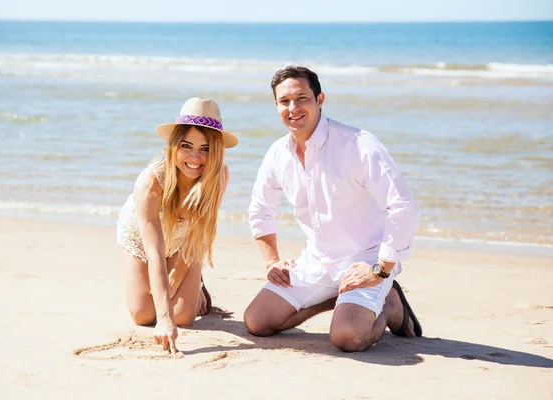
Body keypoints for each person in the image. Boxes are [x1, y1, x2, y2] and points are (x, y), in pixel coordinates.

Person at [244, 66, 422, 352]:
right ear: (275, 105)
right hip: (316, 261)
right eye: (284, 101)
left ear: (320, 99)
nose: (293, 107)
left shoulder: (358, 144)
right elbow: (260, 209)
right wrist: (272, 261)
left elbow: (403, 208)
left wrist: (380, 269)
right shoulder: (278, 153)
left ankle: (389, 303)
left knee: (347, 337)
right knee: (257, 321)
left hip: (367, 261)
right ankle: (335, 299)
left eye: (302, 98)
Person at [117, 97, 238, 355]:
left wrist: (179, 277)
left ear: (216, 150)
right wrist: (163, 318)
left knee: (184, 317)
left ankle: (198, 281)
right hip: (143, 239)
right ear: (174, 145)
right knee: (143, 314)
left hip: (186, 239)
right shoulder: (152, 181)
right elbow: (154, 251)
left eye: (205, 149)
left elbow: (199, 231)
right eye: (187, 146)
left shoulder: (218, 177)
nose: (195, 158)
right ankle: (187, 288)